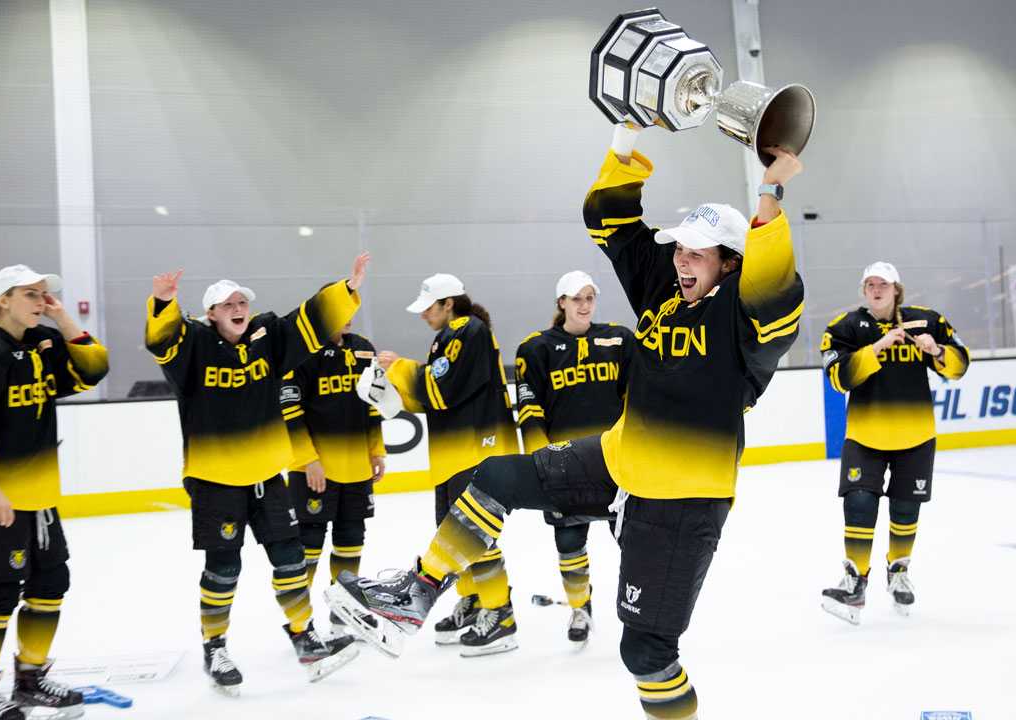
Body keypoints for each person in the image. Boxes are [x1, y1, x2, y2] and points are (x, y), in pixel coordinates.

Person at [329, 125, 805, 720]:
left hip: (683, 496)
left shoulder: (745, 322)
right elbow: (610, 221)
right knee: (496, 478)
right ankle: (416, 594)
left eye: (697, 252)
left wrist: (769, 193)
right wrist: (626, 135)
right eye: (679, 249)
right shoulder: (665, 293)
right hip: (616, 456)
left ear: (731, 264)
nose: (680, 260)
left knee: (645, 651)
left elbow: (776, 290)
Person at [143, 254, 368, 695]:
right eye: (227, 304)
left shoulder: (269, 338)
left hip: (267, 475)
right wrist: (162, 304)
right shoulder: (193, 346)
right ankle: (215, 646)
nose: (237, 307)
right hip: (215, 478)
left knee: (289, 558)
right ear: (210, 314)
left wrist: (347, 289)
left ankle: (303, 634)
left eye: (241, 301)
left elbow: (307, 319)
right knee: (224, 567)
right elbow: (161, 342)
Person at [0, 265, 108, 720]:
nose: (41, 301)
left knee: (50, 584)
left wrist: (65, 321)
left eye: (44, 294)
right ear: (2, 300)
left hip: (40, 496)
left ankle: (29, 679)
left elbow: (92, 372)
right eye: (30, 294)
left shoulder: (43, 341)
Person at [373, 274, 519, 657]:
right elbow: (437, 396)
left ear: (448, 303)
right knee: (455, 539)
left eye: (428, 307)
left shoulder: (467, 331)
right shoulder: (451, 336)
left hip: (471, 451)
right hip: (453, 453)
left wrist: (401, 368)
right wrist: (393, 394)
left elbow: (444, 387)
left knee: (473, 537)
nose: (423, 315)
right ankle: (474, 601)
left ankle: (500, 613)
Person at [818, 262, 969, 624]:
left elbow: (961, 365)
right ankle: (855, 582)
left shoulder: (927, 321)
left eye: (882, 283)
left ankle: (898, 572)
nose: (875, 288)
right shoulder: (845, 327)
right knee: (859, 503)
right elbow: (838, 378)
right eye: (869, 284)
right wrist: (878, 347)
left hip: (915, 437)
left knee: (905, 509)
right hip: (864, 436)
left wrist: (936, 352)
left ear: (896, 288)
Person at [515, 270, 634, 648]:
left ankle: (638, 608)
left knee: (634, 540)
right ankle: (580, 608)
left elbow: (638, 395)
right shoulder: (536, 348)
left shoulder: (619, 339)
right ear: (561, 303)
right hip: (566, 465)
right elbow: (529, 408)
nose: (583, 305)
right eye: (575, 298)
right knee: (569, 545)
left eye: (589, 297)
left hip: (617, 461)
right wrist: (541, 460)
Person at [280, 317, 388, 638]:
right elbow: (289, 408)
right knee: (309, 546)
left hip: (356, 468)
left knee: (351, 541)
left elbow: (373, 403)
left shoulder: (364, 350)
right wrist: (308, 459)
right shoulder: (300, 352)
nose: (347, 317)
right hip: (314, 470)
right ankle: (300, 621)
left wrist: (376, 450)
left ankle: (345, 610)